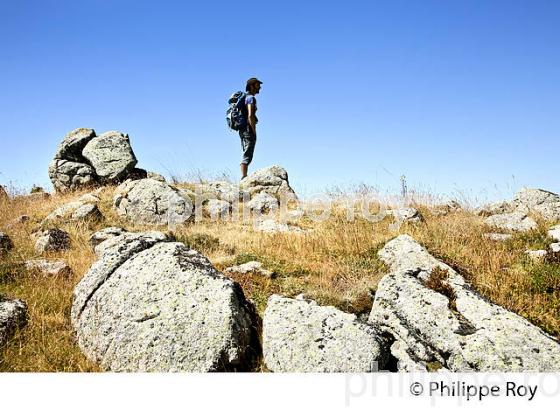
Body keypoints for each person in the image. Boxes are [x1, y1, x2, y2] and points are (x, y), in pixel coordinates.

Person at [239, 77, 262, 179]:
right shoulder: (250, 98)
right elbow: (250, 115)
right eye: (257, 85)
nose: (260, 87)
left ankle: (244, 176)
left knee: (246, 152)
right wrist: (254, 130)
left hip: (243, 129)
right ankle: (244, 177)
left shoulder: (246, 97)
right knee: (247, 154)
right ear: (252, 86)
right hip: (248, 129)